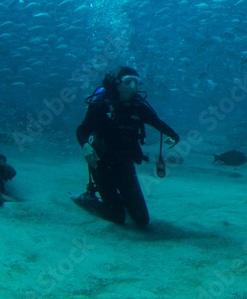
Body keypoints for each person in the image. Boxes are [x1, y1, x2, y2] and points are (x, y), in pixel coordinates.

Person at [73, 66, 179, 226]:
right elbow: (82, 130)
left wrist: (175, 136)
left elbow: (156, 122)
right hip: (101, 163)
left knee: (142, 220)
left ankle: (122, 199)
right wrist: (86, 146)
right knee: (117, 218)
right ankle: (89, 200)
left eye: (137, 83)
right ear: (115, 84)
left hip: (124, 163)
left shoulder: (138, 107)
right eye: (128, 82)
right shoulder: (101, 105)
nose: (133, 88)